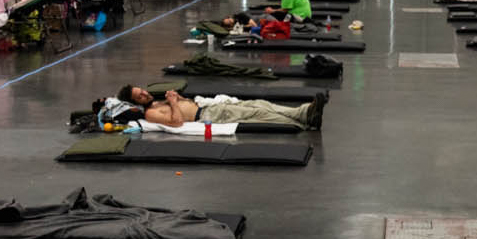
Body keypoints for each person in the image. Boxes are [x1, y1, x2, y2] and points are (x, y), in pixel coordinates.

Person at [117, 84, 326, 130]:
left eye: (142, 90)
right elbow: (177, 122)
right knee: (256, 113)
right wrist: (173, 103)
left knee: (260, 103)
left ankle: (304, 112)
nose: (144, 93)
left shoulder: (159, 101)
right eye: (140, 95)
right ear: (137, 103)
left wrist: (178, 98)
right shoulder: (152, 113)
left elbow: (183, 106)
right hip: (208, 115)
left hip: (211, 107)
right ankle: (302, 119)